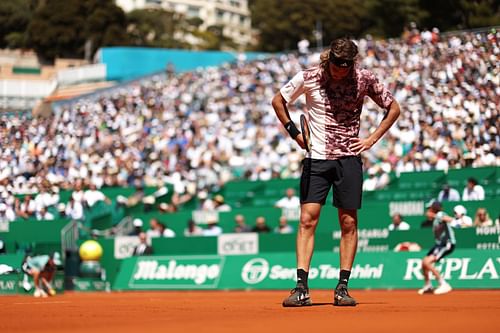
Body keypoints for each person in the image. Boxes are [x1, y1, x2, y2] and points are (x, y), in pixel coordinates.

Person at [272, 37, 400, 307]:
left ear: (352, 63)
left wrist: (371, 139)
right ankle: (301, 287)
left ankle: (343, 286)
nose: (338, 72)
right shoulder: (309, 77)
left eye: (344, 67)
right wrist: (295, 133)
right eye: (335, 66)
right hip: (316, 158)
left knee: (348, 223)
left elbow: (393, 108)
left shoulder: (364, 79)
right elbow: (278, 101)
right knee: (308, 220)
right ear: (329, 59)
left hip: (349, 158)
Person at [418, 200, 455, 295]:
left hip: (447, 243)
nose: (427, 211)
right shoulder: (435, 218)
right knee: (424, 262)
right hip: (438, 244)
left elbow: (449, 219)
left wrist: (437, 216)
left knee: (427, 262)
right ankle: (428, 286)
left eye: (429, 208)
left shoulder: (441, 214)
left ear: (434, 209)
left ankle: (443, 283)